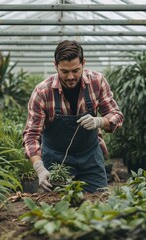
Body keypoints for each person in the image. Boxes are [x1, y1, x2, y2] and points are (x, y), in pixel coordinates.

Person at [22, 40, 123, 193]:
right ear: (55, 65)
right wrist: (39, 168)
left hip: (90, 155)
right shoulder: (43, 92)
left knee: (99, 202)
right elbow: (31, 135)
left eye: (76, 70)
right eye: (64, 71)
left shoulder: (97, 82)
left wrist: (100, 121)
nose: (70, 76)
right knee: (56, 207)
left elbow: (116, 115)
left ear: (84, 63)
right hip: (56, 158)